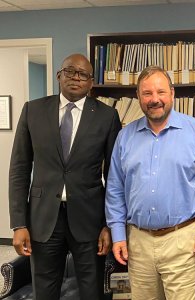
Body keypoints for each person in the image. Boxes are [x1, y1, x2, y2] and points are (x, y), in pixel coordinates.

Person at [9, 53, 122, 300]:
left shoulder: (107, 116)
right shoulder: (33, 110)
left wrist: (109, 224)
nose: (76, 78)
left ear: (91, 82)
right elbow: (19, 168)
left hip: (89, 222)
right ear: (59, 75)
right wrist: (19, 224)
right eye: (70, 71)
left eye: (83, 74)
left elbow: (113, 176)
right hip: (42, 220)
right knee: (45, 292)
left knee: (92, 292)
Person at [105, 65, 195, 300]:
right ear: (138, 97)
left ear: (172, 93)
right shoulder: (125, 137)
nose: (155, 99)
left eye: (161, 92)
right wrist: (118, 234)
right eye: (147, 93)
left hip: (184, 240)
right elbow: (114, 190)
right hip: (139, 242)